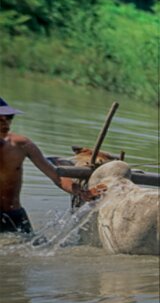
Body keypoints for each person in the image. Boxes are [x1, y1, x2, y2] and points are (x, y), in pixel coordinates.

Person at [0, 97, 101, 234]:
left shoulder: (22, 145)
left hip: (15, 214)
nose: (6, 122)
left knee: (32, 249)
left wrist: (80, 192)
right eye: (1, 118)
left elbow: (56, 176)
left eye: (9, 117)